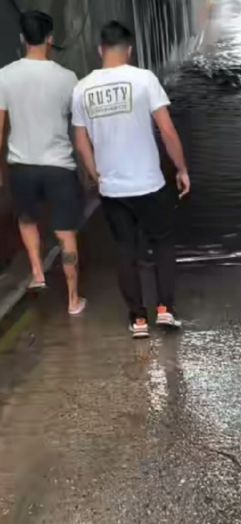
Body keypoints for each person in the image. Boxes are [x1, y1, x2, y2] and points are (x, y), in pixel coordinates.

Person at [72, 21, 190, 339]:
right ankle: (165, 310)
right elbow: (166, 130)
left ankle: (137, 319)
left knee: (126, 250)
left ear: (100, 50)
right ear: (130, 50)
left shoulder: (82, 88)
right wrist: (181, 168)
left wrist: (96, 173)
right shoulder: (143, 79)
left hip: (113, 189)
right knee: (163, 243)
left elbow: (81, 141)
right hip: (149, 184)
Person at [0, 10, 86, 315]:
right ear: (50, 39)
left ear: (23, 38)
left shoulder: (5, 75)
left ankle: (37, 274)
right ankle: (73, 299)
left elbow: (0, 126)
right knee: (65, 233)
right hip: (59, 166)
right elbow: (79, 128)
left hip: (22, 164)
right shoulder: (67, 78)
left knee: (27, 220)